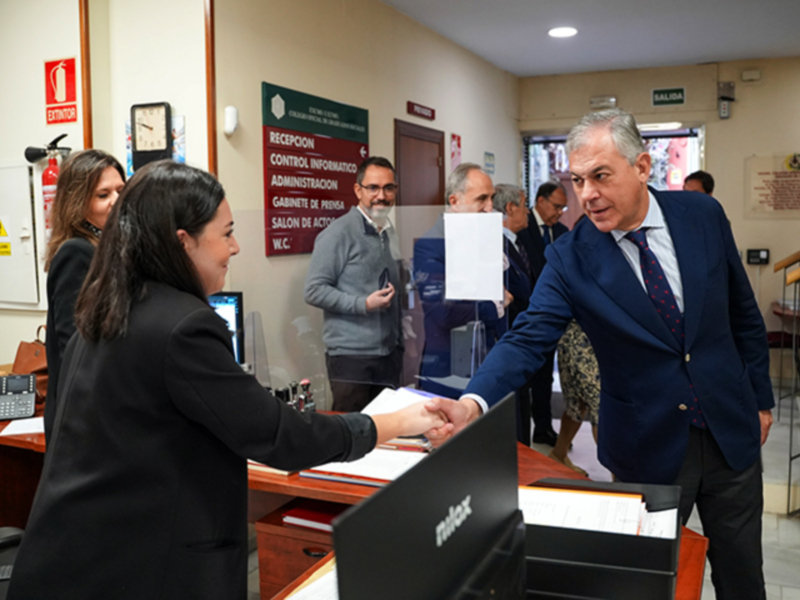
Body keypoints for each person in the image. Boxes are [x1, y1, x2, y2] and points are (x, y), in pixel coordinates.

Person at [7, 161, 444, 600]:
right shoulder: (183, 325)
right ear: (183, 242)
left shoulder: (111, 302)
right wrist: (396, 424)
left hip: (74, 563)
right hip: (135, 572)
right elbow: (279, 436)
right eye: (227, 233)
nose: (235, 247)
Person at [427, 108, 773, 600]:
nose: (586, 194)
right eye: (577, 180)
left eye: (600, 176)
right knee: (645, 584)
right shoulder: (570, 257)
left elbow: (742, 312)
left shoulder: (702, 216)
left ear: (642, 167)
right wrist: (472, 403)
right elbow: (527, 337)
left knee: (743, 578)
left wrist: (760, 400)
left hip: (730, 431)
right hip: (647, 449)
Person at [303, 156, 404, 412]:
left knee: (387, 434)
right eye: (373, 188)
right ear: (358, 190)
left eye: (388, 188)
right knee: (352, 438)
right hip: (351, 359)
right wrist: (363, 304)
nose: (381, 195)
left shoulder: (388, 231)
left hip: (388, 355)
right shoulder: (338, 233)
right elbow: (314, 290)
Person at [43, 149, 125, 442]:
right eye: (103, 195)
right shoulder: (76, 252)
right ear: (79, 203)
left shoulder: (111, 247)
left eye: (120, 190)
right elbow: (74, 349)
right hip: (84, 420)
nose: (116, 200)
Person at [413, 163, 508, 399]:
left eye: (492, 199)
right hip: (451, 368)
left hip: (491, 360)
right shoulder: (431, 244)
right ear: (454, 202)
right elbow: (443, 312)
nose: (490, 208)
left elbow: (517, 287)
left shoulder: (486, 235)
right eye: (482, 199)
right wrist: (494, 304)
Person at [515, 182, 570, 446]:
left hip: (554, 315)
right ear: (540, 201)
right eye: (556, 206)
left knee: (546, 375)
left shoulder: (562, 232)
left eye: (563, 207)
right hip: (526, 313)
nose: (560, 212)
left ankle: (544, 427)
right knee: (527, 376)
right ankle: (523, 433)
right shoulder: (522, 230)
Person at [549, 319, 600, 477]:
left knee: (578, 403)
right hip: (582, 339)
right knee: (598, 405)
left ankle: (558, 454)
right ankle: (618, 476)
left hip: (587, 337)